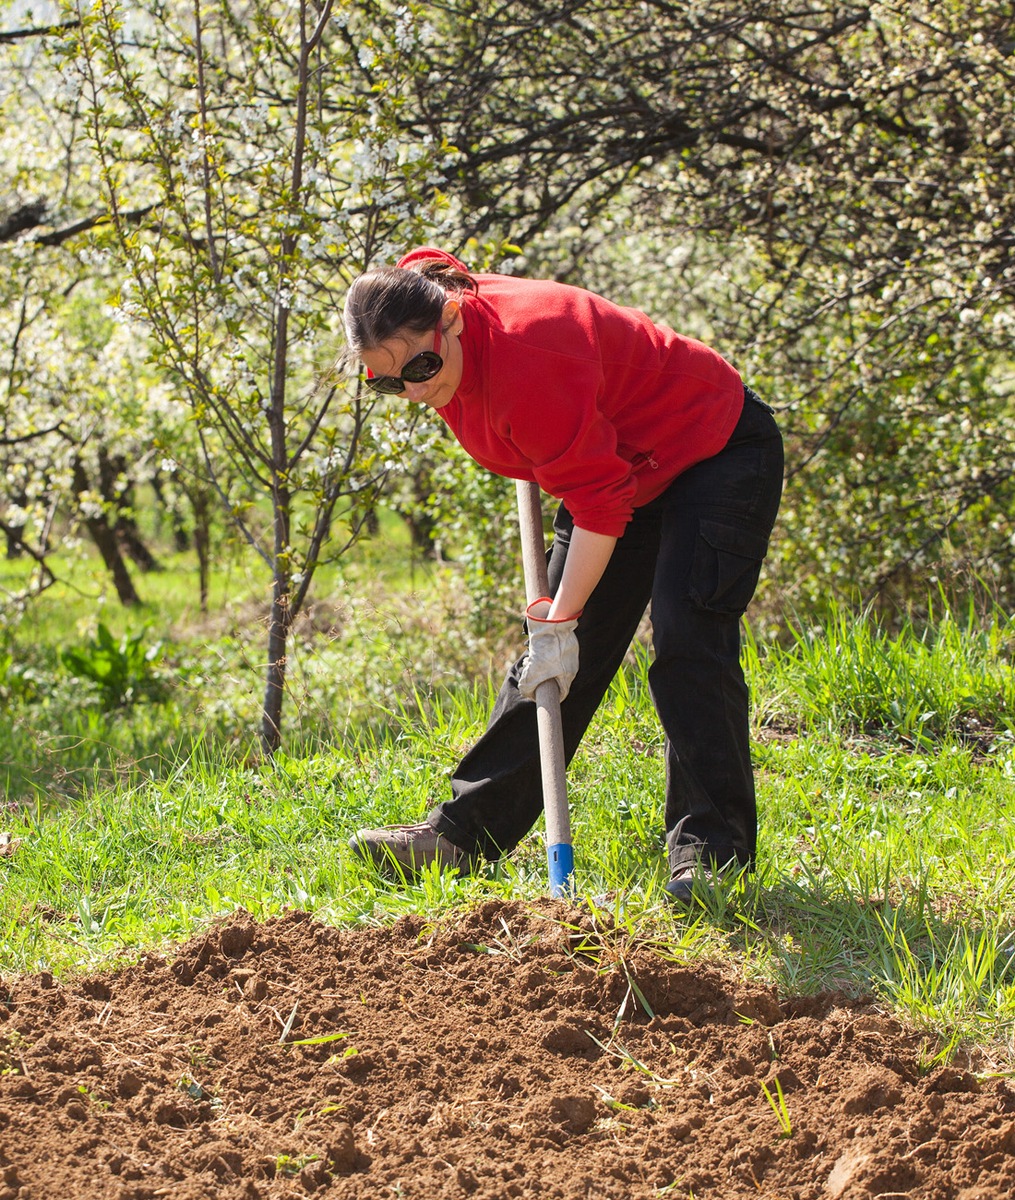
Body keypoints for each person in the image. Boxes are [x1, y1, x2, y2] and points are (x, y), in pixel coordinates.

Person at [343, 247, 783, 903]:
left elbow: (600, 503)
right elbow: (427, 260)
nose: (411, 389)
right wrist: (561, 630)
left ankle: (710, 857)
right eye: (386, 383)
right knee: (554, 660)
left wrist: (561, 617)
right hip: (618, 468)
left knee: (688, 640)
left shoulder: (529, 357)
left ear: (456, 319)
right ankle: (462, 836)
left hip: (711, 448)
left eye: (422, 367)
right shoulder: (429, 308)